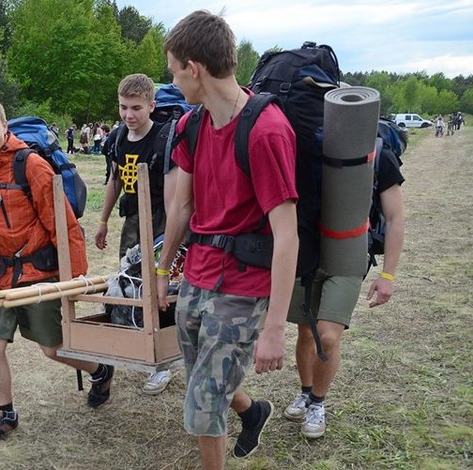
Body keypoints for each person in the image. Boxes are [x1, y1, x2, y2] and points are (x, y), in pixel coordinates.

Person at [154, 11, 299, 467]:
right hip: (197, 274)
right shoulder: (193, 126)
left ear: (193, 68)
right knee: (204, 376)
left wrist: (274, 328)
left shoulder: (266, 131)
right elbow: (181, 207)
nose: (174, 81)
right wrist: (162, 271)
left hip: (243, 287)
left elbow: (287, 234)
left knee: (203, 404)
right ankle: (253, 412)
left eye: (174, 70)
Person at [0, 96, 114, 444]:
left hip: (37, 275)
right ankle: (6, 415)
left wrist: (74, 277)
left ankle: (100, 370)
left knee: (52, 349)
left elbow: (64, 224)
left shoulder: (32, 165)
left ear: (5, 126)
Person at [281, 133, 405, 439]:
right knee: (306, 330)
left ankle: (317, 405)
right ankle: (306, 392)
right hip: (307, 253)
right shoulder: (300, 142)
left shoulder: (377, 151)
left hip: (348, 257)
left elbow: (395, 215)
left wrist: (388, 275)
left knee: (328, 337)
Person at [94, 74, 174, 395]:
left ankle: (163, 360)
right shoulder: (116, 139)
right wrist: (102, 221)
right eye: (124, 107)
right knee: (130, 284)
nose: (129, 115)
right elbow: (115, 179)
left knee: (158, 288)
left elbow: (175, 191)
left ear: (152, 106)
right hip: (131, 220)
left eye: (136, 108)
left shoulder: (162, 139)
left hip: (159, 219)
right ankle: (139, 344)